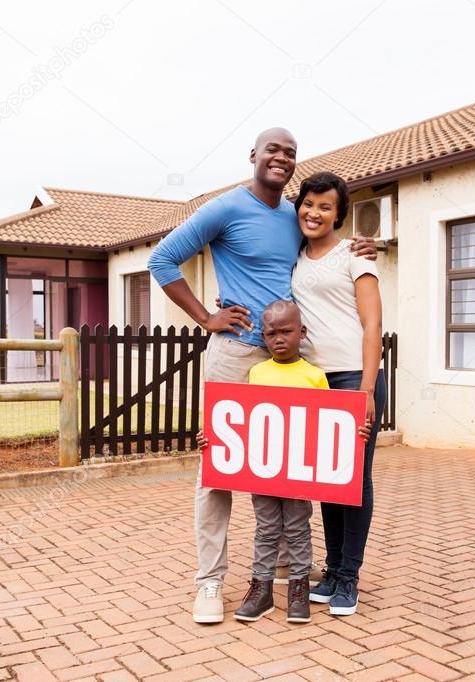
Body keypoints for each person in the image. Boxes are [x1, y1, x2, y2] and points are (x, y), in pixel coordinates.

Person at [147, 128, 377, 624]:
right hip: (235, 354)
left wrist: (364, 246)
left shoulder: (295, 218)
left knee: (289, 463)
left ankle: (283, 568)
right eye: (272, 149)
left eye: (290, 153)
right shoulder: (225, 207)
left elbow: (323, 246)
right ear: (253, 155)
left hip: (293, 361)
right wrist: (205, 318)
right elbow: (161, 259)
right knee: (219, 468)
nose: (281, 158)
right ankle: (209, 582)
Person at [197, 300, 372, 624]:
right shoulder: (256, 372)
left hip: (298, 476)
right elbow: (242, 421)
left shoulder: (315, 376)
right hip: (263, 475)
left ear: (302, 333)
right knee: (265, 530)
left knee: (297, 530)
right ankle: (261, 589)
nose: (278, 339)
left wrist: (355, 431)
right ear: (263, 337)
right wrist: (213, 439)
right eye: (271, 333)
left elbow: (330, 424)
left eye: (286, 331)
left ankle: (298, 590)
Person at [292, 171, 385, 616]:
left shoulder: (354, 255)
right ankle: (331, 571)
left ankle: (349, 577)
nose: (315, 212)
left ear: (338, 215)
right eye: (309, 203)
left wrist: (366, 390)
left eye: (325, 206)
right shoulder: (295, 257)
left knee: (354, 481)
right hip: (314, 378)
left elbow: (373, 326)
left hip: (353, 378)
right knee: (328, 479)